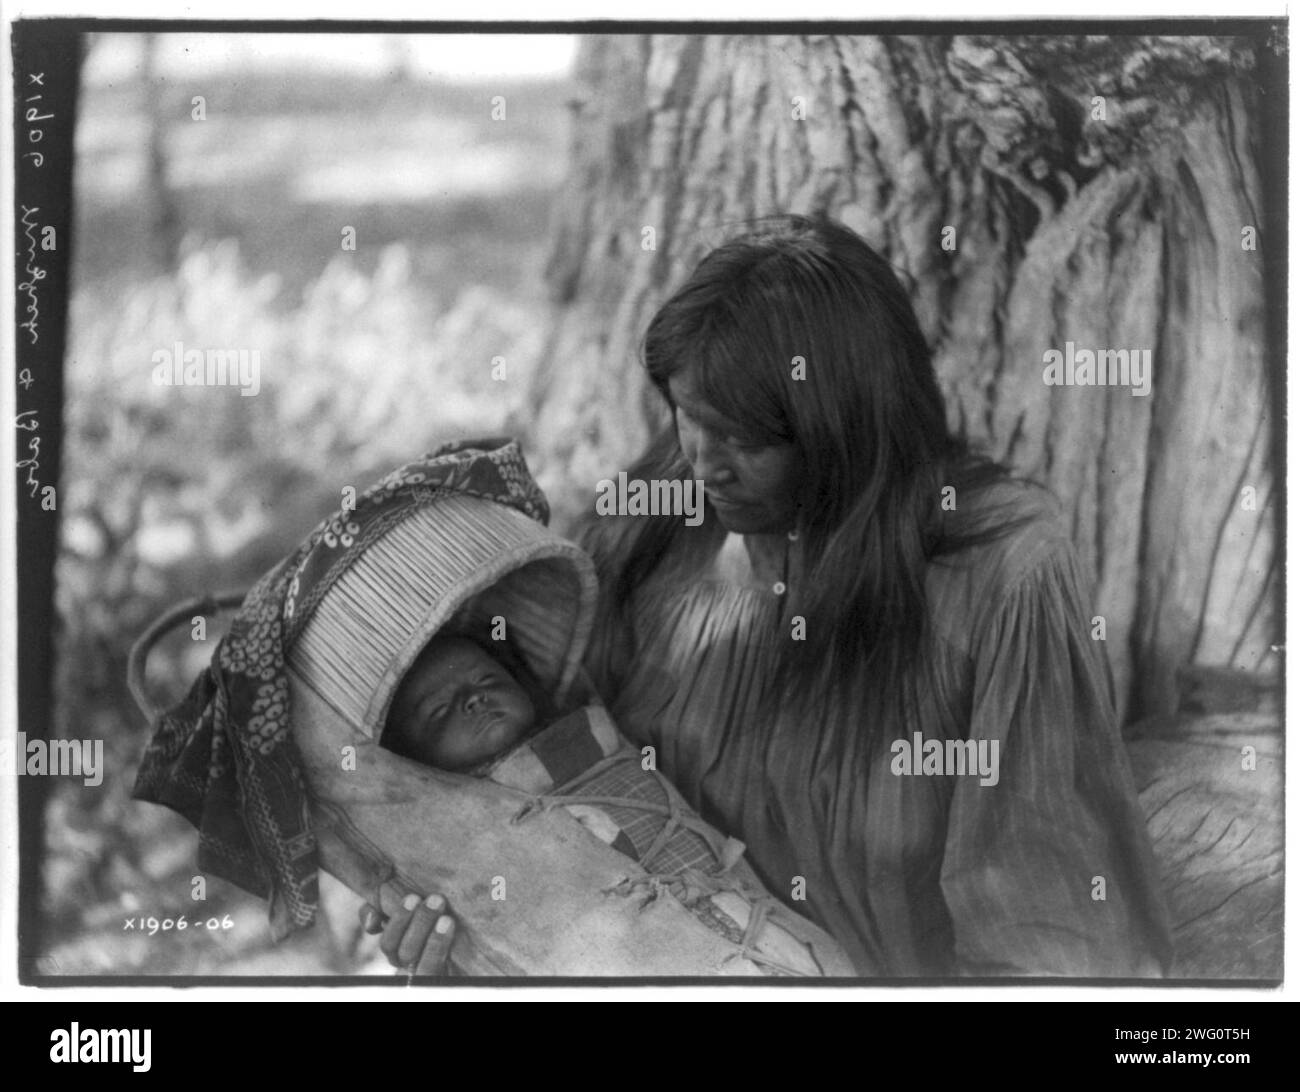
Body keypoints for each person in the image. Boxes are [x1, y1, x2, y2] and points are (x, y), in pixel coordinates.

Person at [565, 213, 1173, 977]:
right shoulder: (664, 518)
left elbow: (1039, 928)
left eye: (746, 439)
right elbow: (544, 778)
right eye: (688, 417)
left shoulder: (998, 568)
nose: (702, 463)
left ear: (840, 430)